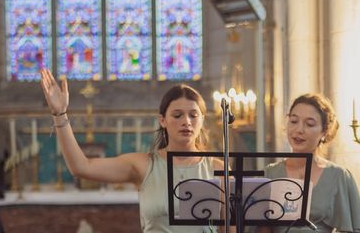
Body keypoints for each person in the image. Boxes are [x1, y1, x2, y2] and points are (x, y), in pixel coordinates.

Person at [39, 68, 223, 232]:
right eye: (177, 115)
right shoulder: (144, 165)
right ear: (163, 120)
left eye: (193, 115)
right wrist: (59, 114)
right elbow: (82, 167)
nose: (186, 121)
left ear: (202, 120)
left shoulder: (218, 169)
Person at [262, 94, 360, 233]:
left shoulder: (338, 176)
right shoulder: (269, 174)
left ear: (324, 131)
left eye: (309, 124)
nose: (299, 130)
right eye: (294, 121)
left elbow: (356, 229)